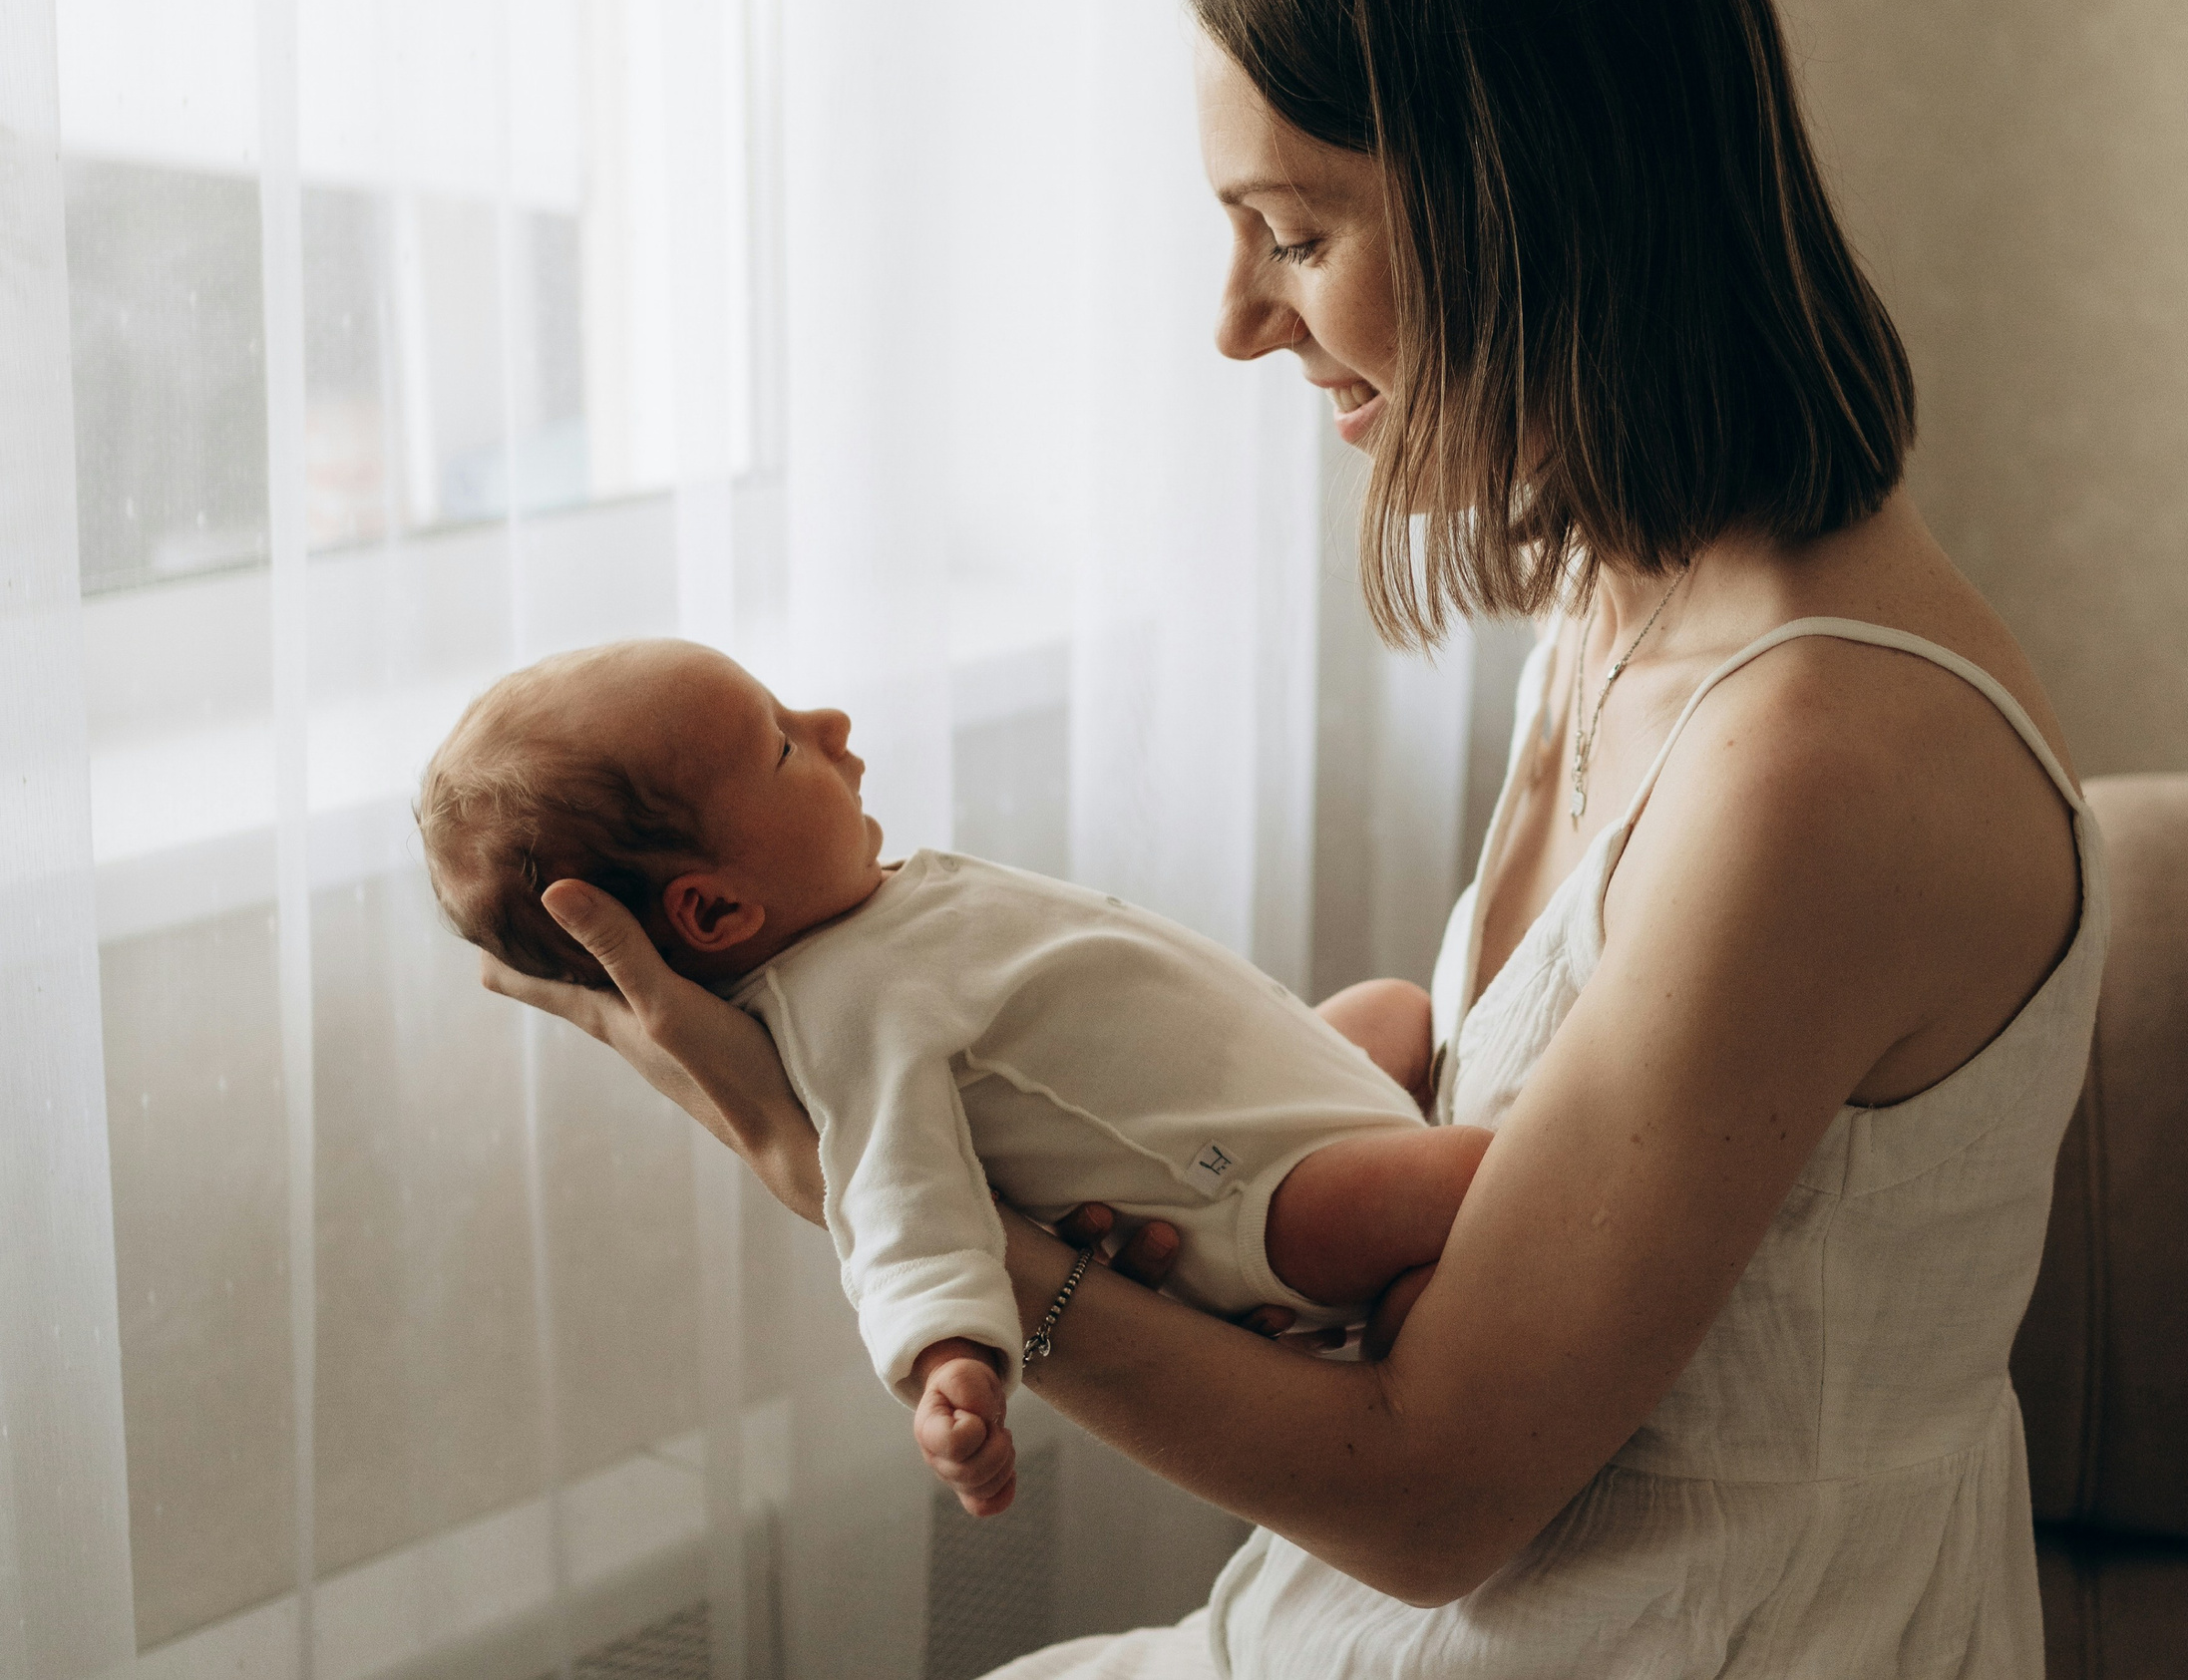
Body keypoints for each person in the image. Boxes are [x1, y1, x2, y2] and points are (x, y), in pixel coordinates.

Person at [485, 0, 2103, 1678]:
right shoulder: (1624, 594)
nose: (1240, 321)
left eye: (1300, 232)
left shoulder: (1818, 764)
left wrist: (874, 1199)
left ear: (1545, 201)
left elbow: (1433, 1501)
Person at [421, 637, 1487, 1520]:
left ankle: (1397, 1250)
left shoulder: (879, 916)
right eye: (785, 744)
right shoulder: (848, 1004)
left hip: (1279, 1102)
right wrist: (948, 1354)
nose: (832, 724)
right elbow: (894, 1194)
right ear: (713, 911)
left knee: (1393, 1008)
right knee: (1485, 1178)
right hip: (1263, 1194)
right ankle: (1391, 1305)